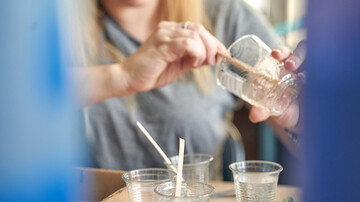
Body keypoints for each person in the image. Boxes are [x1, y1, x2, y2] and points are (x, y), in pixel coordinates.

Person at [73, 0, 305, 176]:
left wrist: (304, 118)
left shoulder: (224, 13)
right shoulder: (57, 26)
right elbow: (36, 110)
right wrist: (120, 75)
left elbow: (319, 154)